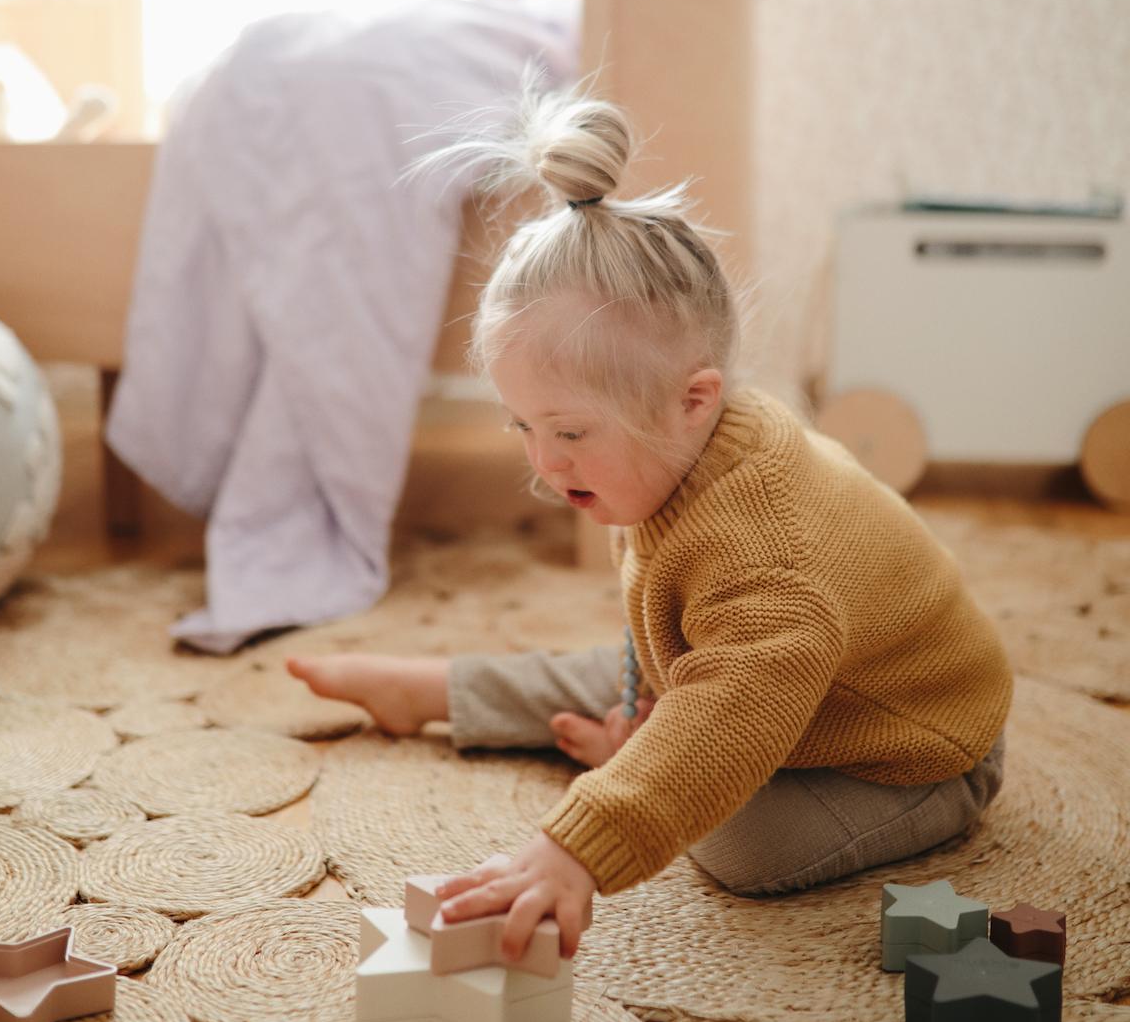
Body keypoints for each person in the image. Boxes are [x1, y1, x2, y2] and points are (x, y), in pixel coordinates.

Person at [287, 84, 1012, 968]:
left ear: (691, 400)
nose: (543, 463)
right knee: (649, 667)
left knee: (736, 838)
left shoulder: (765, 553)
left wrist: (579, 845)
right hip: (789, 667)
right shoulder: (668, 453)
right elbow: (672, 634)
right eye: (525, 427)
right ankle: (443, 688)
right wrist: (653, 713)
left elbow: (730, 705)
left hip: (911, 743)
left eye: (570, 433)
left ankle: (630, 741)